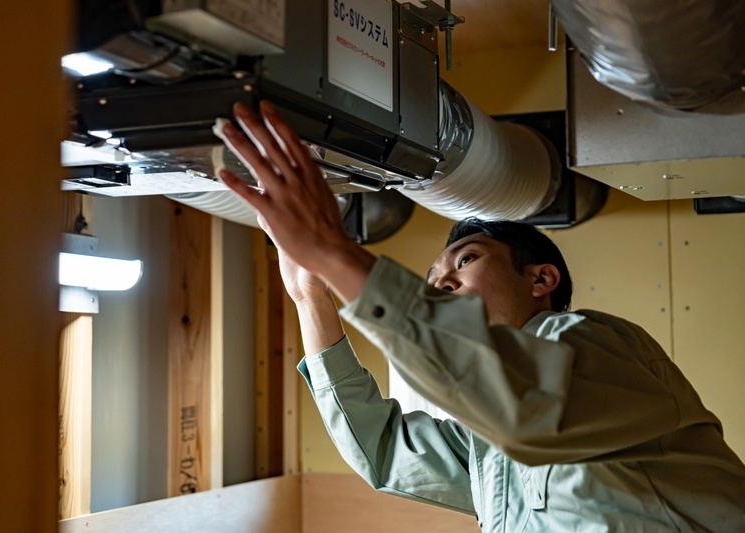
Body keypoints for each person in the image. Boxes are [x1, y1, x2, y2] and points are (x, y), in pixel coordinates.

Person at [214, 101, 745, 531]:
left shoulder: (595, 343)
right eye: (433, 276)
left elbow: (520, 400)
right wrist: (310, 296)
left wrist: (334, 250)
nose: (441, 281)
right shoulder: (486, 445)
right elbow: (382, 450)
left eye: (466, 260)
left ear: (541, 280)